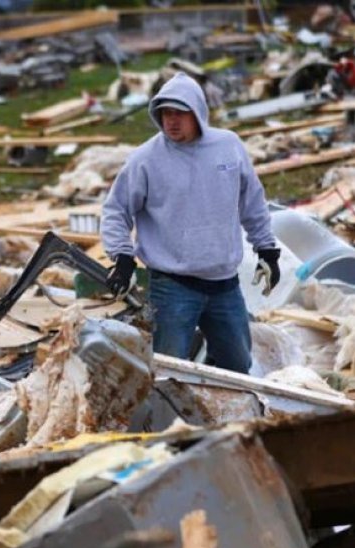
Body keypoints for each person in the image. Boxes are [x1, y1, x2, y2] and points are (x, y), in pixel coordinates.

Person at [100, 72, 280, 374]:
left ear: (197, 112)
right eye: (166, 113)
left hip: (224, 284)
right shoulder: (144, 159)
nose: (171, 121)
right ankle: (172, 421)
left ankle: (219, 417)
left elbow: (252, 202)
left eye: (180, 112)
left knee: (237, 366)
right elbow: (116, 210)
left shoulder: (228, 147)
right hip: (173, 287)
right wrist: (122, 257)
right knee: (170, 371)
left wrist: (267, 250)